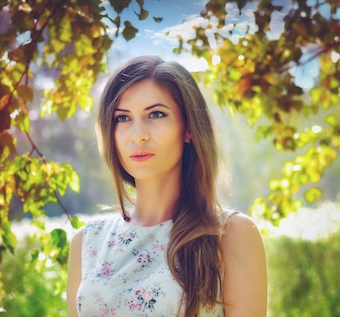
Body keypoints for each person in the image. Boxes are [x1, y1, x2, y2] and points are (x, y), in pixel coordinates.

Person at [67, 55, 267, 317]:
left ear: (188, 129)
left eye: (156, 114)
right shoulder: (87, 241)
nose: (138, 134)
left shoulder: (229, 234)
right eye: (122, 118)